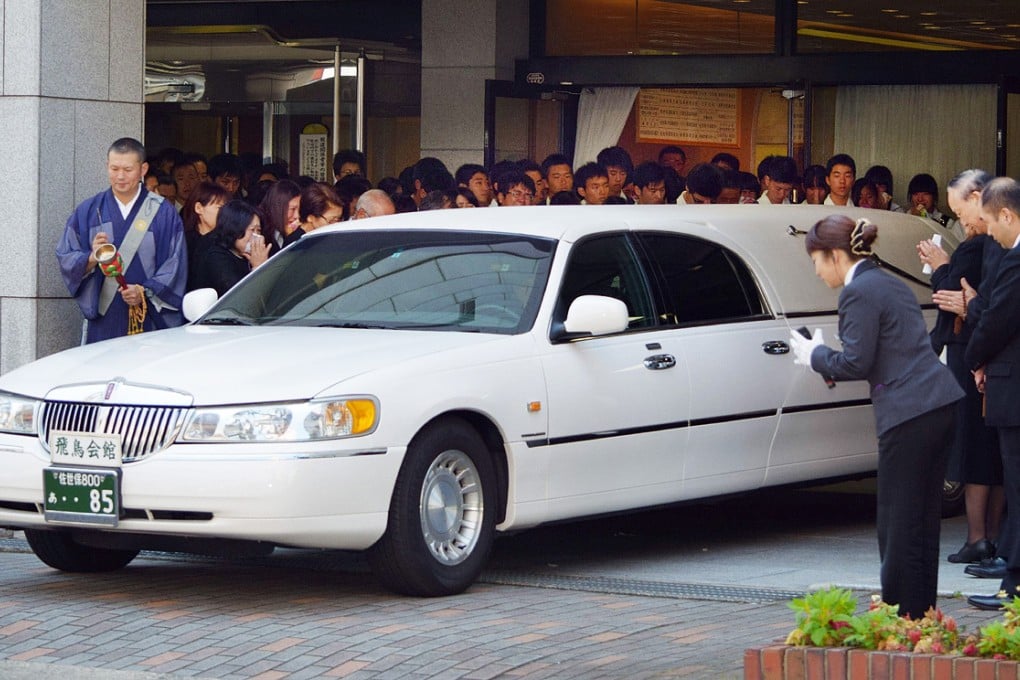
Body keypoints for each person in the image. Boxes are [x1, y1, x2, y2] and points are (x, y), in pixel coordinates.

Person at [789, 215, 962, 618]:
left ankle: (901, 616)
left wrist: (815, 356)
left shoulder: (858, 292)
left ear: (835, 255)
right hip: (938, 401)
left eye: (816, 260)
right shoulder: (885, 281)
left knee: (898, 520)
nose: (815, 270)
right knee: (921, 518)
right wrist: (826, 361)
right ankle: (921, 614)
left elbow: (856, 361)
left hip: (908, 411)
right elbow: (882, 352)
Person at [918, 169, 1003, 568]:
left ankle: (978, 537)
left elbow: (949, 295)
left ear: (977, 196)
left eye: (959, 209)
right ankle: (995, 538)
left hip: (972, 352)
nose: (962, 220)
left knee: (972, 446)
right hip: (987, 355)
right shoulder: (997, 245)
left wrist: (941, 264)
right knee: (994, 450)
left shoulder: (979, 246)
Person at [56, 137, 188, 343]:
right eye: (114, 168)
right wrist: (92, 257)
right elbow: (67, 256)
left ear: (143, 169)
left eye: (127, 169)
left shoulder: (163, 213)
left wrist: (145, 291)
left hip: (148, 320)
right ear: (107, 166)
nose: (120, 176)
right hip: (105, 319)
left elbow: (175, 264)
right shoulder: (89, 210)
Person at [962, 178, 1020, 610]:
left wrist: (974, 358)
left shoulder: (1016, 260)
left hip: (1013, 389)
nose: (987, 232)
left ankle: (1015, 587)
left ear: (1006, 214)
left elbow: (998, 317)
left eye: (987, 222)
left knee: (1017, 489)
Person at [189, 200, 270, 297]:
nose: (256, 236)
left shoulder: (246, 255)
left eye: (259, 230)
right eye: (252, 230)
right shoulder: (215, 256)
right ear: (235, 228)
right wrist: (258, 267)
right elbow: (238, 297)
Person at [181, 181, 232, 289]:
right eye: (220, 208)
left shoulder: (228, 240)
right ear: (199, 208)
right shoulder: (184, 242)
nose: (225, 213)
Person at [283, 183, 344, 247]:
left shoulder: (328, 237)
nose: (336, 225)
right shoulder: (294, 243)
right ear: (311, 218)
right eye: (331, 220)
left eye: (338, 219)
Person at [257, 179, 301, 250]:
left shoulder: (297, 230)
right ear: (278, 207)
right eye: (292, 209)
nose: (297, 216)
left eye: (299, 209)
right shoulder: (261, 230)